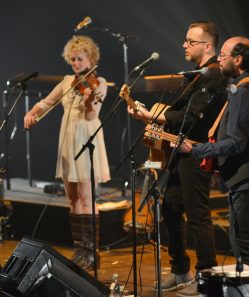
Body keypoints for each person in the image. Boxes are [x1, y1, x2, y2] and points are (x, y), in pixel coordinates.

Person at [125, 21, 227, 295]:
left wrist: (150, 116)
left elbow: (190, 117)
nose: (184, 45)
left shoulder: (214, 75)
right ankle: (181, 271)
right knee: (170, 207)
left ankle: (208, 278)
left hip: (196, 152)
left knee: (197, 215)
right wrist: (151, 116)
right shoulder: (197, 74)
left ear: (207, 46)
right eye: (185, 40)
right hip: (179, 151)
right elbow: (177, 114)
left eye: (190, 41)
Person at [180, 36, 249, 270]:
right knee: (240, 242)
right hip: (246, 178)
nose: (219, 59)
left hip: (248, 179)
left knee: (246, 245)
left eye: (223, 55)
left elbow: (235, 143)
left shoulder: (244, 90)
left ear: (238, 59)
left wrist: (196, 149)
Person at [24, 35, 110, 271]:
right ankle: (80, 249)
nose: (75, 64)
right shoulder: (66, 81)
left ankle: (92, 252)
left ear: (90, 58)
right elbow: (47, 103)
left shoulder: (98, 82)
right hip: (68, 140)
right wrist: (32, 113)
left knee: (86, 197)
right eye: (72, 60)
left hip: (87, 138)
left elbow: (92, 116)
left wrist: (88, 100)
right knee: (72, 198)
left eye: (79, 59)